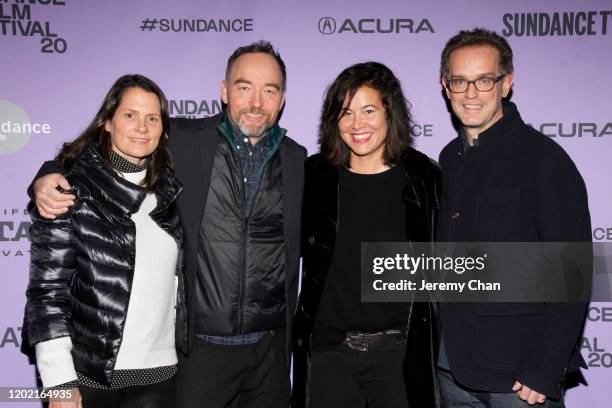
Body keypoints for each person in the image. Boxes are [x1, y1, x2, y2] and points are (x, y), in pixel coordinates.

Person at [30, 41, 306, 408]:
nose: (256, 102)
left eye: (268, 90)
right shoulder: (182, 138)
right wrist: (47, 177)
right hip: (200, 354)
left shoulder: (297, 158)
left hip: (269, 356)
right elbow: (99, 151)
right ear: (224, 91)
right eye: (244, 87)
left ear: (282, 98)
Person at [436, 28, 591, 407]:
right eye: (460, 81)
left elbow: (573, 271)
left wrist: (544, 365)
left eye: (484, 80)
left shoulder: (544, 159)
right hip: (450, 367)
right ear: (445, 86)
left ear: (506, 83)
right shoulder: (447, 159)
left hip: (519, 377)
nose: (471, 93)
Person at [22, 74, 185, 408]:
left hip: (161, 379)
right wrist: (59, 383)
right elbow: (45, 296)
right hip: (90, 378)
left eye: (152, 118)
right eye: (130, 115)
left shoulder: (169, 195)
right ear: (108, 122)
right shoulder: (67, 192)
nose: (142, 127)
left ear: (163, 129)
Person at [292, 62, 440, 408]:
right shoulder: (314, 178)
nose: (357, 124)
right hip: (330, 354)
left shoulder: (424, 178)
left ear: (391, 112)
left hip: (398, 357)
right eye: (346, 112)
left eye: (369, 110)